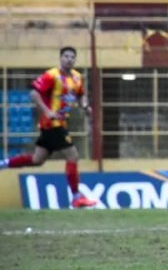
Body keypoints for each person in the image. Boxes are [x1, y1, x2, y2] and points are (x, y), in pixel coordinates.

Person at [0, 47, 97, 208]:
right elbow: (34, 93)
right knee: (73, 156)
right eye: (66, 56)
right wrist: (47, 111)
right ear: (60, 58)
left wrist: (85, 106)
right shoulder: (52, 75)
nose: (69, 59)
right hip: (53, 124)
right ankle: (76, 197)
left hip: (56, 124)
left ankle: (4, 163)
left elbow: (80, 94)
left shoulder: (77, 77)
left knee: (37, 160)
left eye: (72, 57)